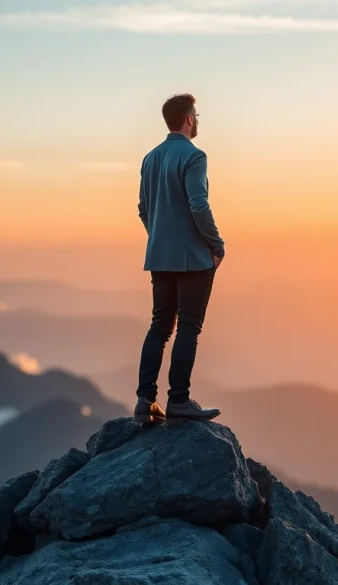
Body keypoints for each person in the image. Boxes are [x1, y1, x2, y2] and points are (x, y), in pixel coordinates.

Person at [134, 93, 224, 424]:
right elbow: (198, 204)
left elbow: (144, 209)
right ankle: (179, 401)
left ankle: (145, 402)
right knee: (188, 326)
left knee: (159, 326)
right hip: (193, 258)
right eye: (196, 115)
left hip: (159, 255)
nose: (197, 120)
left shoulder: (150, 158)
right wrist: (216, 245)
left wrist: (159, 237)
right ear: (189, 119)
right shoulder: (194, 156)